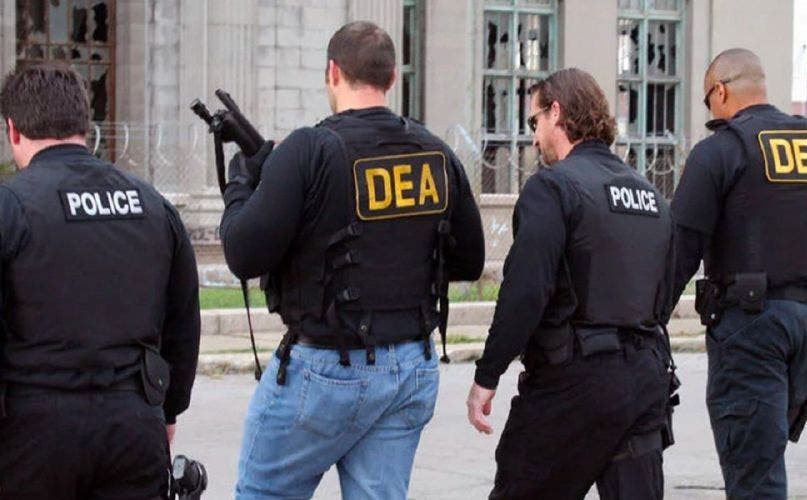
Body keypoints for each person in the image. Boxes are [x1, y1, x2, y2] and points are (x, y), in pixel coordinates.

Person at [221, 21, 485, 499]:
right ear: (393, 78)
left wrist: (241, 184)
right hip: (411, 364)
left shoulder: (309, 149)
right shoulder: (435, 150)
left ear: (332, 72)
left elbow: (243, 253)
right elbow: (469, 261)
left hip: (324, 367)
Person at [467, 68, 678, 499]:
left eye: (534, 121)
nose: (533, 138)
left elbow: (526, 290)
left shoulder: (553, 187)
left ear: (556, 112)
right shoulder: (650, 196)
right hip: (645, 376)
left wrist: (488, 375)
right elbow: (666, 286)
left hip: (575, 382)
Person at [670, 48, 807, 498]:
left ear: (720, 91)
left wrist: (647, 326)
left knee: (755, 477)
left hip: (750, 328)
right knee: (764, 459)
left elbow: (680, 248)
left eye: (707, 101)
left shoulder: (721, 150)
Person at [0, 63, 201, 499]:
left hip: (34, 431)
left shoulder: (11, 206)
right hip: (133, 426)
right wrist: (168, 412)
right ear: (84, 125)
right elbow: (183, 322)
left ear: (13, 129)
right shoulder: (151, 204)